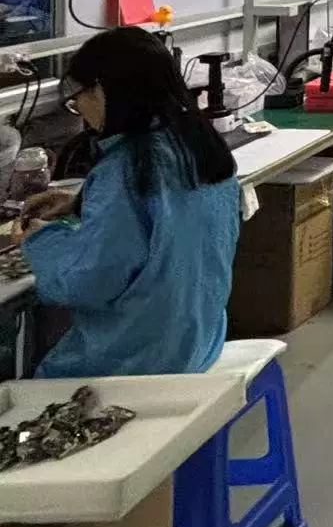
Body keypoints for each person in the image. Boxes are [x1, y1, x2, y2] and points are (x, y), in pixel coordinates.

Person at [19, 27, 240, 377]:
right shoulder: (197, 145)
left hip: (140, 360)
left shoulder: (127, 168)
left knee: (29, 375)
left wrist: (40, 239)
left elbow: (88, 282)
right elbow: (167, 216)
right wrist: (81, 202)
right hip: (198, 341)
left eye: (78, 98)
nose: (80, 110)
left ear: (102, 89)